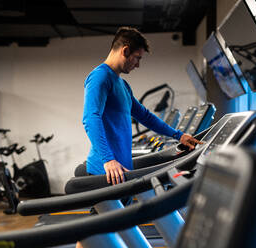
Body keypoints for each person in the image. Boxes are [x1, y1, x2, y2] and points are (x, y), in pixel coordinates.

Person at [82, 26, 202, 185]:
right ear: (125, 51)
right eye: (137, 57)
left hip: (122, 169)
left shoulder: (122, 85)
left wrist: (179, 135)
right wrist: (108, 159)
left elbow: (145, 116)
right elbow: (91, 118)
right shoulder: (100, 77)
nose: (138, 64)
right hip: (107, 171)